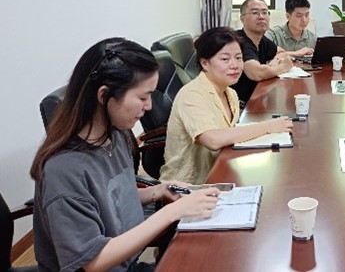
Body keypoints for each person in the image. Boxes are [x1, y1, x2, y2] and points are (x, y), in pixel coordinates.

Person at [30, 38, 220, 272]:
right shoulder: (64, 169)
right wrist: (172, 213)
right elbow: (93, 262)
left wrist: (158, 190)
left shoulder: (115, 135)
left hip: (128, 264)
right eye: (142, 97)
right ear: (104, 96)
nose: (149, 106)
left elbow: (113, 197)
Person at [160, 27, 293, 184]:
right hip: (188, 187)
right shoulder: (192, 94)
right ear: (204, 63)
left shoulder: (231, 93)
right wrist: (268, 126)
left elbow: (230, 135)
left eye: (238, 58)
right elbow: (213, 140)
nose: (235, 65)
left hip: (222, 173)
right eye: (225, 59)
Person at [233, 0, 294, 103]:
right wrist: (282, 67)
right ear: (242, 19)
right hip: (238, 104)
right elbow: (256, 73)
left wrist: (273, 63)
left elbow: (281, 52)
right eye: (255, 13)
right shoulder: (238, 40)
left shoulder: (261, 39)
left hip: (256, 97)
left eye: (265, 12)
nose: (261, 17)